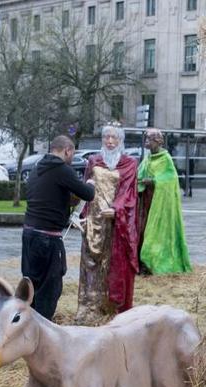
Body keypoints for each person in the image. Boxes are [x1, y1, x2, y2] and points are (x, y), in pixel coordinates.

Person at [22, 135, 94, 320]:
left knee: (32, 286)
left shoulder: (37, 168)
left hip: (29, 235)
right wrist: (91, 183)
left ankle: (27, 325)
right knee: (50, 289)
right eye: (73, 153)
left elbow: (48, 197)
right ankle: (43, 331)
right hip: (48, 238)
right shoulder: (62, 170)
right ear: (67, 151)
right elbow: (88, 194)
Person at [76, 124, 138, 324]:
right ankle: (90, 307)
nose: (110, 142)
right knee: (91, 264)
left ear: (121, 140)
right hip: (94, 220)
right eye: (106, 138)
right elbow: (86, 189)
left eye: (114, 138)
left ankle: (111, 307)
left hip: (115, 222)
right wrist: (82, 214)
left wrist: (118, 209)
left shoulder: (129, 164)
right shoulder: (94, 160)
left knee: (112, 263)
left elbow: (129, 191)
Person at [136, 128, 192, 275]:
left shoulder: (165, 158)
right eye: (146, 139)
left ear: (158, 141)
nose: (146, 142)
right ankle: (142, 263)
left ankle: (153, 263)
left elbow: (171, 179)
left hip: (159, 204)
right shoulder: (148, 158)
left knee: (155, 232)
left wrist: (154, 181)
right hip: (146, 203)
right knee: (142, 231)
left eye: (149, 139)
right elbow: (139, 174)